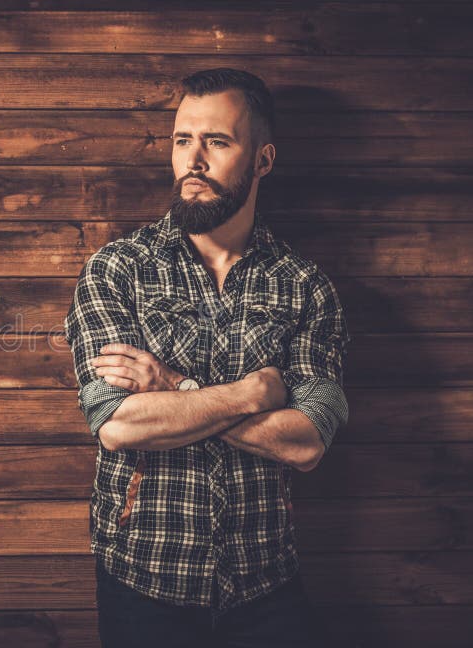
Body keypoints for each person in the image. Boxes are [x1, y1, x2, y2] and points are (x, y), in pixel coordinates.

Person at [64, 67, 350, 648]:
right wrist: (251, 393)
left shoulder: (304, 287)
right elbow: (118, 425)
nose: (193, 160)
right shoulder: (118, 270)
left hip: (265, 582)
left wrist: (170, 385)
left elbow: (306, 441)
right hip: (143, 581)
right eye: (181, 140)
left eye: (217, 142)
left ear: (262, 160)